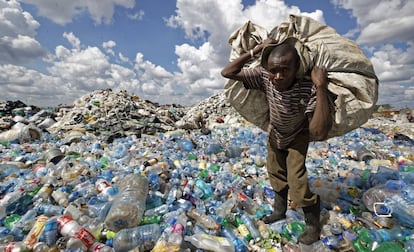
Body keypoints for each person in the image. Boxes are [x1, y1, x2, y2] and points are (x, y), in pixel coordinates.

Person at [221, 38, 333, 244]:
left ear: (296, 67)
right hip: (275, 134)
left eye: (285, 70)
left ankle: (312, 224)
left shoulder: (307, 87)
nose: (278, 76)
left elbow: (317, 131)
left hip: (297, 137)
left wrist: (321, 87)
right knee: (275, 173)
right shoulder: (265, 77)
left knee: (297, 181)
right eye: (274, 70)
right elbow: (227, 72)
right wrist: (257, 50)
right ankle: (279, 211)